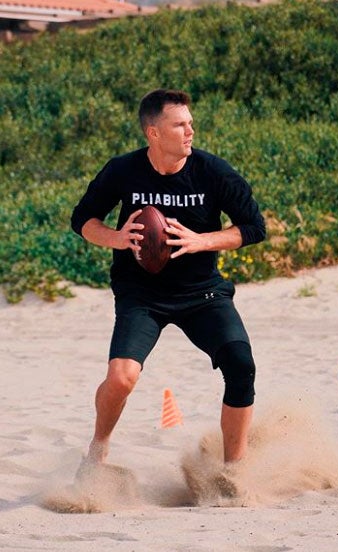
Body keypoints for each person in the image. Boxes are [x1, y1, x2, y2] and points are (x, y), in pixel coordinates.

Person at [71, 88, 266, 468]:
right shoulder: (122, 170)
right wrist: (118, 238)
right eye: (179, 125)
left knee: (241, 366)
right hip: (141, 294)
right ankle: (98, 447)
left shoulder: (213, 172)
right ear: (153, 133)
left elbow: (254, 228)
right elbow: (82, 220)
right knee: (122, 378)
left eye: (190, 123)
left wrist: (201, 241)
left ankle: (234, 470)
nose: (190, 131)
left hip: (202, 293)